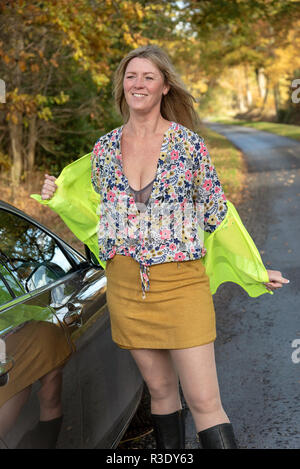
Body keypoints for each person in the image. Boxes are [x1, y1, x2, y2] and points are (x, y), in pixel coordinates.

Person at [39, 45, 289, 449]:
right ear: (123, 85)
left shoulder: (189, 146)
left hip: (181, 285)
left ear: (164, 86)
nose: (138, 84)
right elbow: (94, 211)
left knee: (206, 401)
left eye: (148, 77)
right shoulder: (104, 150)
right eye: (131, 76)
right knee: (160, 393)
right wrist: (57, 195)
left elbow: (216, 216)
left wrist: (254, 268)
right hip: (126, 288)